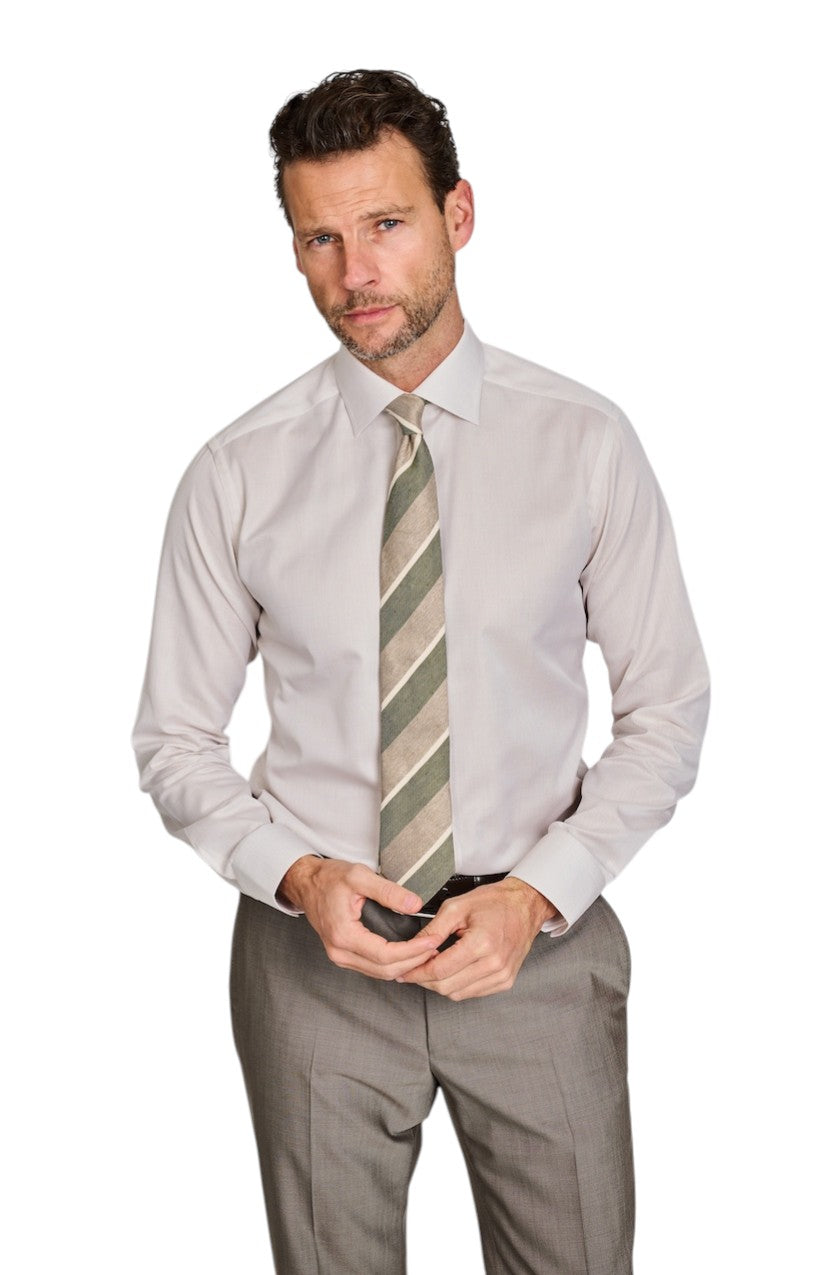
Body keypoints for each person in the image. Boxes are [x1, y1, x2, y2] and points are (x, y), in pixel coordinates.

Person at [133, 69, 709, 1275]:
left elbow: (666, 711)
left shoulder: (584, 442)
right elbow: (175, 741)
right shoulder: (237, 472)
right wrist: (297, 878)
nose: (355, 273)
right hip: (313, 964)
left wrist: (538, 893)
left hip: (538, 951)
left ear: (458, 214)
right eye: (320, 239)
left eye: (386, 224)